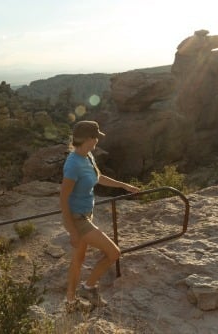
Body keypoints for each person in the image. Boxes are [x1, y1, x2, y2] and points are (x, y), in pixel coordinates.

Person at [60, 120, 140, 311]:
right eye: (96, 137)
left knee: (78, 260)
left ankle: (70, 302)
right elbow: (63, 200)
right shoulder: (73, 164)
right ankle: (89, 288)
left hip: (87, 214)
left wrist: (123, 186)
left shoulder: (87, 156)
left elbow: (99, 177)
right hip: (78, 219)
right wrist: (72, 230)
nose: (97, 141)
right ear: (88, 139)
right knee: (114, 252)